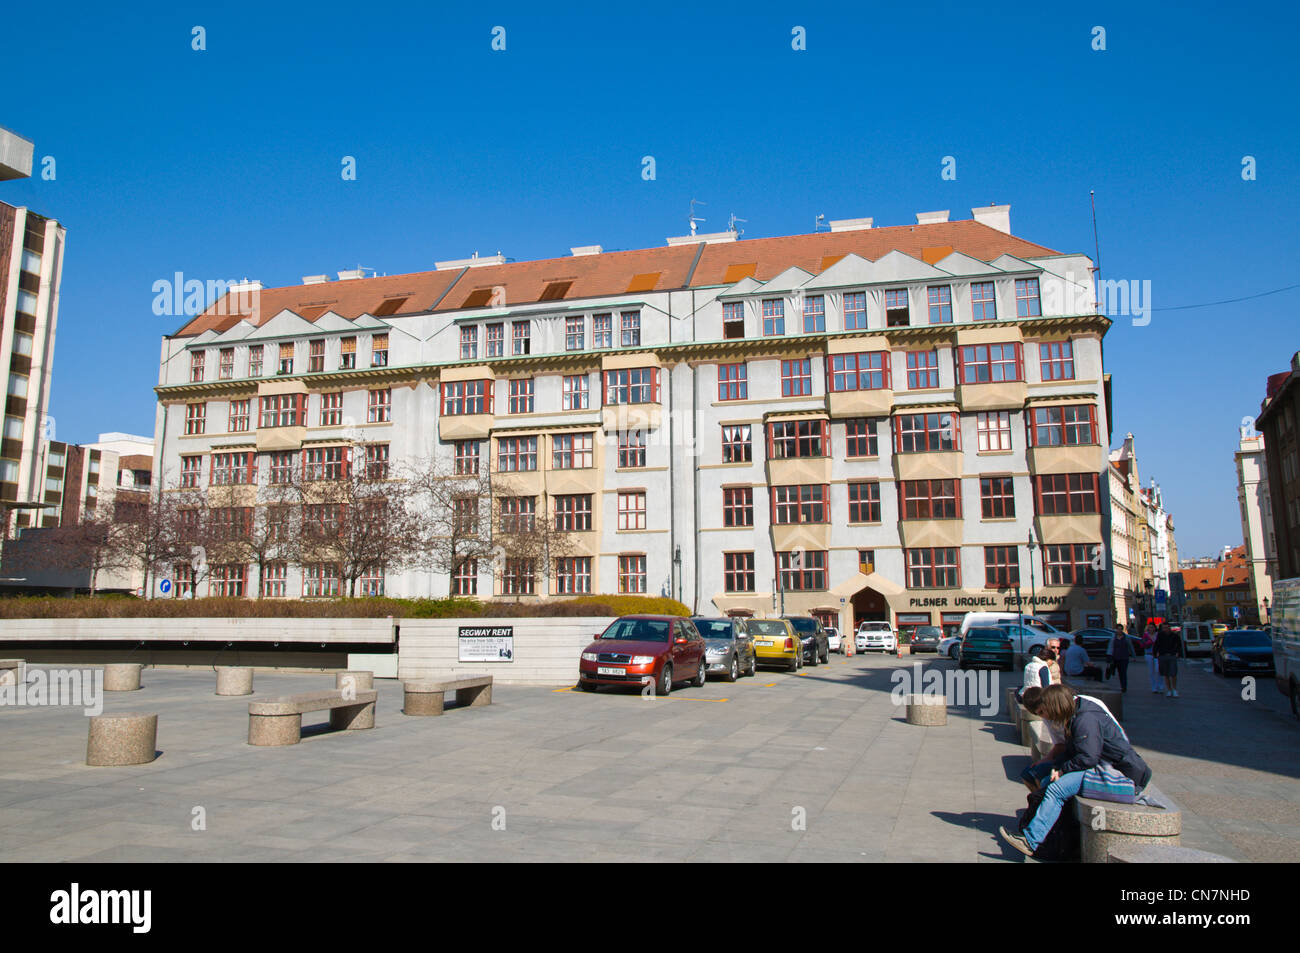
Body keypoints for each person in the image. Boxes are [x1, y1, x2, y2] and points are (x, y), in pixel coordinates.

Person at [1000, 684, 1152, 858]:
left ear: (1055, 705)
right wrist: (1058, 766)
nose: (1046, 716)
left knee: (1057, 789)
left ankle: (1031, 841)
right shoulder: (1077, 713)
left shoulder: (1085, 719)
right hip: (1106, 767)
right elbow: (1078, 752)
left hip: (1123, 776)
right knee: (1046, 782)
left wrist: (1063, 770)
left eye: (1045, 710)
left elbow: (1088, 757)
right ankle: (1047, 835)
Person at [1154, 623, 1182, 697]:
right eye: (1164, 628)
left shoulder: (1174, 635)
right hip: (1163, 655)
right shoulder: (1160, 635)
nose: (1165, 629)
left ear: (1169, 628)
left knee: (1173, 674)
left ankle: (1174, 689)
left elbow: (1179, 644)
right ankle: (1169, 690)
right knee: (1165, 674)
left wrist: (1177, 653)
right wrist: (1156, 653)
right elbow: (1156, 644)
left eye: (1166, 627)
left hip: (1172, 655)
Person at [1106, 627, 1134, 692]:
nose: (1119, 630)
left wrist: (1133, 656)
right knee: (1115, 670)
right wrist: (1109, 655)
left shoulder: (1126, 637)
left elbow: (1130, 646)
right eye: (1118, 629)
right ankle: (1110, 672)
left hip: (1124, 658)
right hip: (1115, 657)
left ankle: (1123, 687)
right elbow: (1110, 647)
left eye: (1120, 629)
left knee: (1123, 673)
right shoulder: (1113, 638)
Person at [1140, 622, 1161, 693]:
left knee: (1158, 670)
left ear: (1155, 628)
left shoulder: (1158, 635)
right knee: (1151, 672)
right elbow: (1142, 644)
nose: (1151, 629)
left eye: (1152, 627)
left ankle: (1160, 686)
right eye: (1149, 627)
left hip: (1157, 655)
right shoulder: (1145, 635)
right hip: (1149, 654)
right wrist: (1147, 643)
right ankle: (1154, 687)